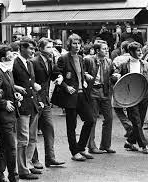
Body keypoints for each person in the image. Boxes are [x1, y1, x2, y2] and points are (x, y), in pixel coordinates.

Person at [51, 33, 94, 161]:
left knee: (90, 120)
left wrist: (85, 77)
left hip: (81, 94)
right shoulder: (63, 58)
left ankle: (81, 147)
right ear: (69, 45)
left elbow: (80, 72)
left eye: (79, 43)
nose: (77, 46)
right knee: (72, 125)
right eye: (74, 43)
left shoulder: (81, 58)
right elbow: (56, 74)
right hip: (70, 95)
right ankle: (74, 152)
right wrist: (65, 86)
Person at [112, 41, 148, 154]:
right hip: (130, 97)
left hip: (143, 94)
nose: (140, 52)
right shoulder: (124, 65)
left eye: (141, 50)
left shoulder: (145, 64)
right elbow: (117, 78)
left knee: (139, 120)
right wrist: (115, 76)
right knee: (136, 121)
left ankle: (130, 142)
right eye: (137, 51)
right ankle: (144, 145)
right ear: (131, 52)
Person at [31, 38, 65, 168]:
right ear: (40, 49)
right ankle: (34, 160)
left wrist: (60, 77)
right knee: (33, 131)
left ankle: (50, 158)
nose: (51, 50)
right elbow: (30, 80)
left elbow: (55, 73)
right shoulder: (34, 62)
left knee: (49, 129)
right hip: (35, 100)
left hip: (45, 100)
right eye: (48, 47)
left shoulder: (50, 61)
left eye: (52, 47)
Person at [12, 37, 42, 180]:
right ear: (22, 48)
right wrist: (15, 87)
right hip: (22, 106)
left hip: (32, 104)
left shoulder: (29, 63)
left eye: (34, 49)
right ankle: (23, 169)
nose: (32, 51)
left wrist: (38, 99)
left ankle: (28, 164)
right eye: (30, 48)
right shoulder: (14, 63)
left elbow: (32, 82)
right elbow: (8, 81)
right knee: (23, 139)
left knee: (32, 138)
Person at [0, 45, 22, 182]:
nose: (13, 58)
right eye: (10, 56)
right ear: (3, 57)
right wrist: (4, 103)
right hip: (4, 114)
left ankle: (0, 174)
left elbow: (7, 88)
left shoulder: (7, 70)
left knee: (4, 146)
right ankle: (12, 176)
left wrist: (15, 94)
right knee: (10, 146)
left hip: (10, 113)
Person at [84, 41, 115, 154]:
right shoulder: (88, 60)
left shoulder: (109, 61)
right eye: (104, 49)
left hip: (105, 91)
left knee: (109, 118)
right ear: (97, 51)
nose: (107, 51)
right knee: (92, 119)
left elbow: (111, 74)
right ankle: (91, 146)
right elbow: (82, 72)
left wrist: (115, 76)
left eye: (107, 48)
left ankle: (105, 145)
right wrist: (86, 76)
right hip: (93, 91)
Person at [112, 41, 133, 138]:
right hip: (132, 87)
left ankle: (129, 126)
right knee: (130, 107)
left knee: (117, 108)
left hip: (120, 87)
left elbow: (113, 73)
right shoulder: (134, 58)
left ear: (123, 49)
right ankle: (132, 127)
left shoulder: (117, 59)